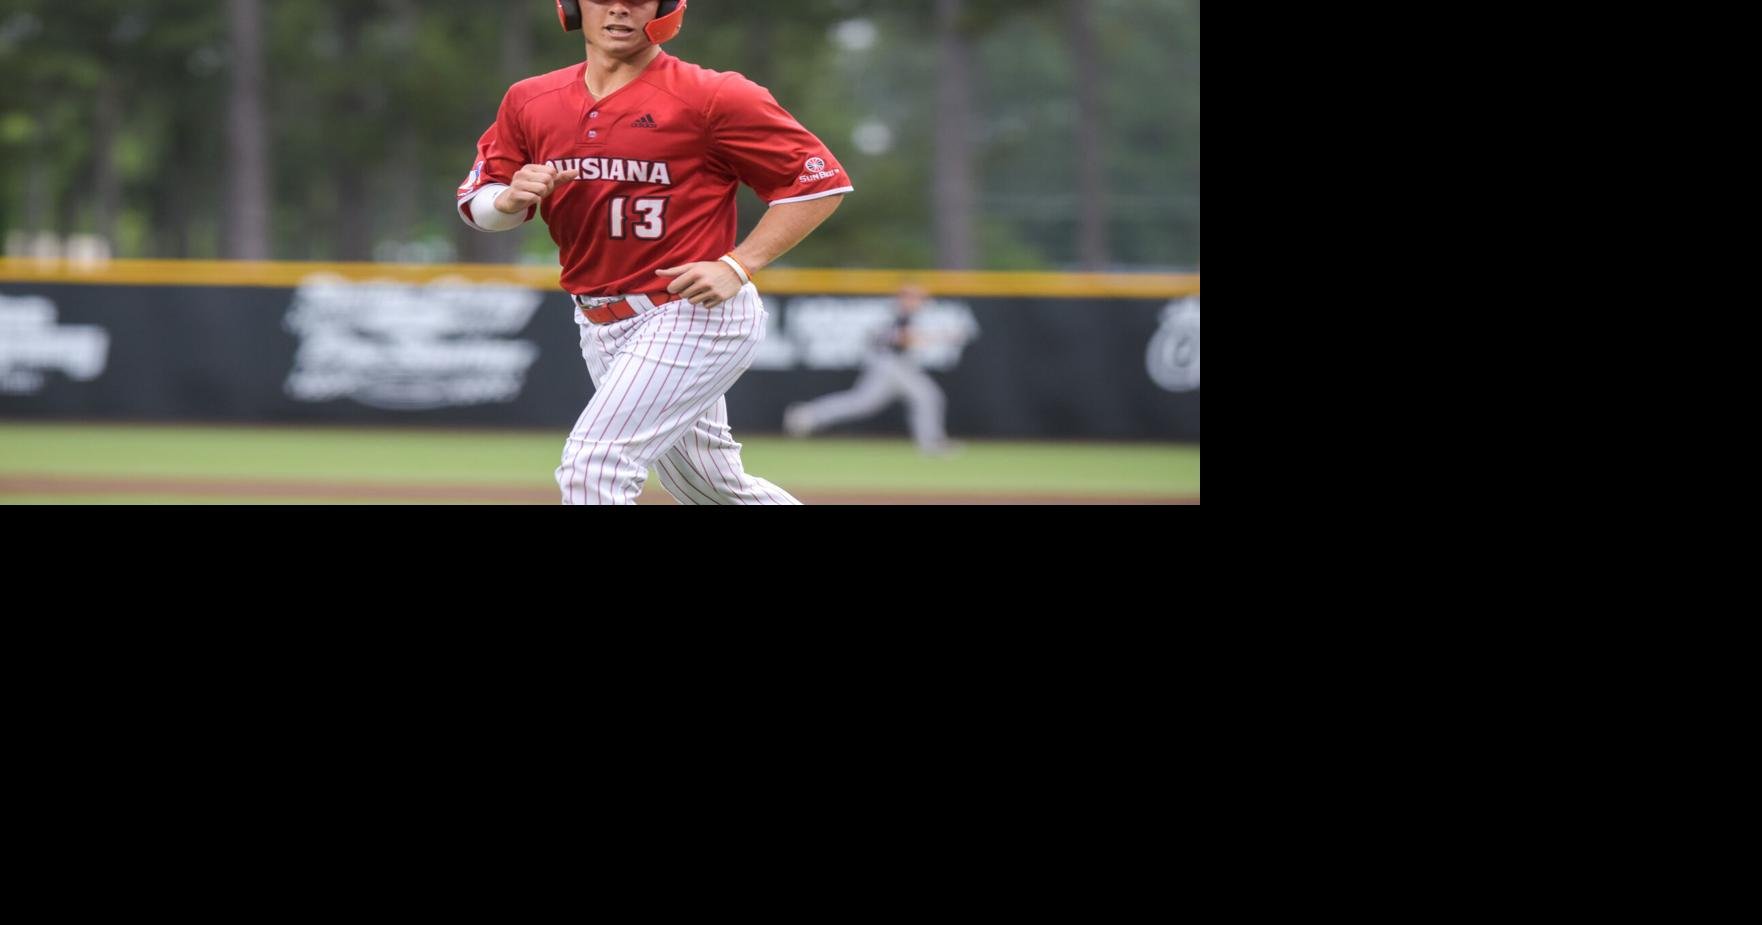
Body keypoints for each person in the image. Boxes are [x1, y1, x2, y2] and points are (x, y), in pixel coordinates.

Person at [456, 1, 851, 504]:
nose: (618, 10)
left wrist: (739, 263)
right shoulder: (531, 99)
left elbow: (818, 183)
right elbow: (479, 205)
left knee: (593, 467)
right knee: (711, 488)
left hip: (692, 311)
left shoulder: (713, 94)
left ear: (666, 10)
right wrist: (509, 199)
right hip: (599, 321)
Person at [783, 284, 957, 456]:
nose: (920, 302)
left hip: (897, 365)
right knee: (924, 396)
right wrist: (939, 336)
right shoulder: (891, 312)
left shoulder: (904, 315)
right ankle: (807, 415)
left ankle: (807, 415)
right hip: (888, 365)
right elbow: (901, 339)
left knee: (869, 402)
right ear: (904, 298)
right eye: (916, 298)